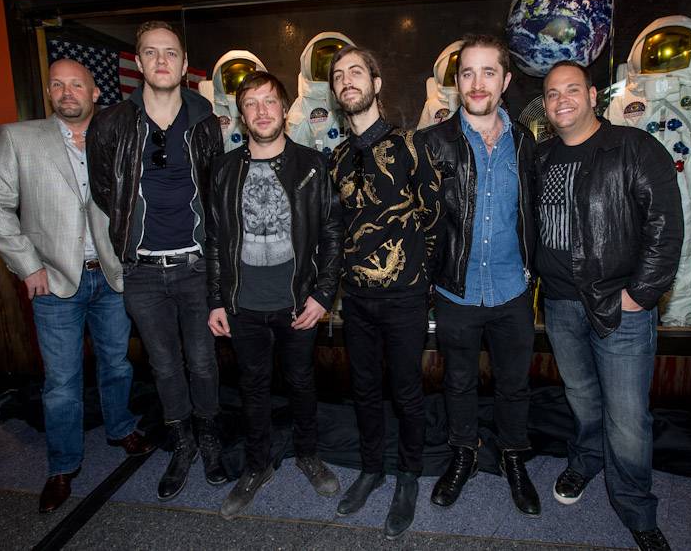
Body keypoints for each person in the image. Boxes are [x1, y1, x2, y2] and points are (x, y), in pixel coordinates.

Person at [0, 59, 153, 513]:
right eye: (58, 85)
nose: (67, 92)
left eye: (77, 84)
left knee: (117, 364)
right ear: (49, 92)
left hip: (112, 277)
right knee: (61, 382)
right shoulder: (18, 138)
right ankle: (62, 466)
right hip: (54, 282)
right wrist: (28, 265)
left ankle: (121, 428)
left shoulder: (116, 139)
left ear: (95, 93)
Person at [538, 61, 683, 551]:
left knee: (627, 416)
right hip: (559, 304)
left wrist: (639, 295)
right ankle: (586, 461)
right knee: (581, 397)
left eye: (572, 90)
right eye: (552, 93)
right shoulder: (541, 157)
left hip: (620, 306)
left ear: (593, 95)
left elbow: (666, 228)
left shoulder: (634, 148)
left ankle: (636, 508)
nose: (562, 100)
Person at [87, 21, 224, 501]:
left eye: (170, 52)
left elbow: (216, 186)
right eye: (151, 52)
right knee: (164, 367)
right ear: (139, 62)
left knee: (203, 363)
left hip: (196, 266)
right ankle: (181, 444)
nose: (161, 60)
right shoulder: (110, 123)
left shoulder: (205, 120)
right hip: (142, 271)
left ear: (184, 65)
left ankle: (209, 437)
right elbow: (105, 191)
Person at [206, 71, 343, 518]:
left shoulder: (312, 164)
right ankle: (257, 464)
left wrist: (323, 294)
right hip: (243, 303)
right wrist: (215, 299)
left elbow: (332, 233)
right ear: (240, 115)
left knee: (302, 381)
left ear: (285, 109)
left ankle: (307, 454)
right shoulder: (224, 168)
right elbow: (214, 240)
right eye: (251, 103)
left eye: (269, 101)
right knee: (252, 386)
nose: (262, 111)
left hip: (297, 300)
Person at [418, 33, 540, 516]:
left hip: (513, 288)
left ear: (505, 81)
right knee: (458, 382)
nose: (477, 83)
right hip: (456, 290)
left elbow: (534, 212)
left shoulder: (526, 142)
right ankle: (464, 453)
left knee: (514, 384)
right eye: (467, 72)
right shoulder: (433, 143)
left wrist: (536, 271)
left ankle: (513, 457)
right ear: (456, 80)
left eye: (489, 72)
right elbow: (419, 220)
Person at [328, 45, 442, 539]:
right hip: (355, 300)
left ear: (376, 84)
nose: (347, 80)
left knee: (407, 391)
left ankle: (408, 475)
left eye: (356, 72)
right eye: (338, 75)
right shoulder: (336, 158)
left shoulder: (411, 145)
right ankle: (372, 468)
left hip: (405, 298)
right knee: (364, 389)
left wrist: (422, 281)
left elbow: (435, 218)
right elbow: (334, 230)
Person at [605, 15, 691, 326]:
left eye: (676, 47)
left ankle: (678, 317)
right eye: (659, 48)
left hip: (681, 187)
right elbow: (608, 146)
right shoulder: (624, 96)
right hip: (634, 191)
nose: (665, 54)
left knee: (684, 250)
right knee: (634, 250)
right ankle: (632, 313)